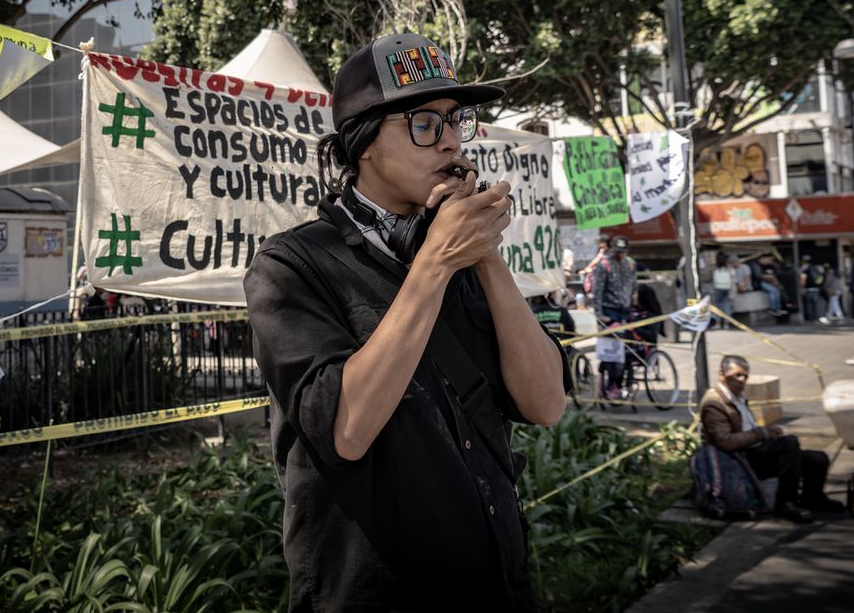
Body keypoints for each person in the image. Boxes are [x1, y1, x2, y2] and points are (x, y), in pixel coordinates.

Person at [244, 32, 569, 611]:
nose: (449, 142)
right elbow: (345, 429)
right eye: (424, 123)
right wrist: (436, 263)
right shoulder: (291, 265)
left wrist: (486, 254)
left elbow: (546, 403)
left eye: (456, 120)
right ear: (365, 141)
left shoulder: (460, 249)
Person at [700, 355, 844, 523]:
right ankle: (785, 503)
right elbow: (725, 442)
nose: (741, 380)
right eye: (737, 375)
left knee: (817, 458)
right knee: (789, 444)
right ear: (722, 374)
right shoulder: (714, 403)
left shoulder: (737, 396)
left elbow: (748, 428)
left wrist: (766, 433)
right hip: (738, 460)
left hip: (755, 449)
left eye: (745, 376)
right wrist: (761, 434)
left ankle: (813, 498)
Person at [591, 236, 638, 397]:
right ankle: (611, 385)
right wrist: (599, 314)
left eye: (624, 252)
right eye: (619, 252)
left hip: (625, 310)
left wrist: (633, 301)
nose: (622, 255)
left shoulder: (630, 264)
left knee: (627, 351)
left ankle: (622, 383)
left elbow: (633, 285)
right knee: (612, 353)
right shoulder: (604, 266)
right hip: (609, 312)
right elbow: (597, 291)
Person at [710, 252, 735, 326]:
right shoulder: (729, 267)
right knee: (726, 305)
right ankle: (726, 323)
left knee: (717, 306)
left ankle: (718, 323)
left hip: (717, 288)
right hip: (727, 288)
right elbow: (733, 276)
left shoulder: (714, 267)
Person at [800, 255, 825, 321]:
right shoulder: (815, 268)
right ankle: (815, 317)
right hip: (816, 289)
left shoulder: (804, 269)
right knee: (815, 304)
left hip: (808, 289)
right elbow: (821, 277)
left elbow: (803, 279)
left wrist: (802, 288)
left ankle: (809, 318)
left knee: (807, 304)